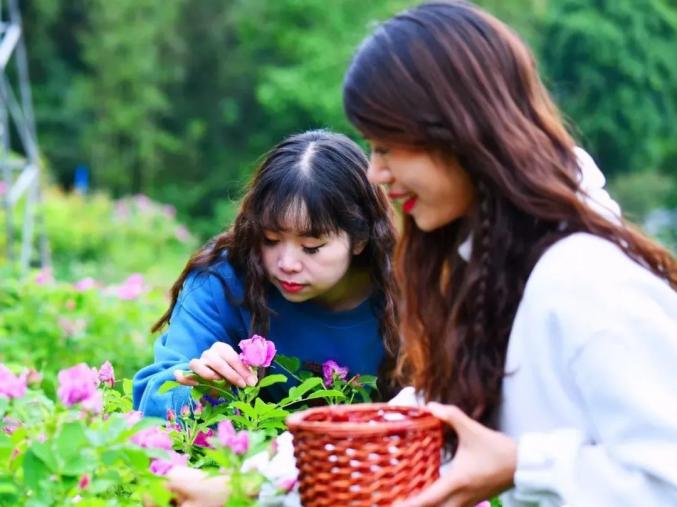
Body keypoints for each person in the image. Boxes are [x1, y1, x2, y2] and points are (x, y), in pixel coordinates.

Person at [342, 1, 677, 506]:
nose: (375, 174)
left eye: (386, 146)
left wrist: (525, 465)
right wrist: (251, 484)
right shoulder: (493, 269)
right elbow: (430, 417)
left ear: (458, 129)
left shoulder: (584, 280)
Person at [133, 130, 399, 418]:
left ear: (360, 238)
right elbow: (152, 397)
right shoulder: (223, 281)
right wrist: (200, 387)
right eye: (270, 239)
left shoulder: (409, 290)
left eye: (311, 247)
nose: (287, 263)